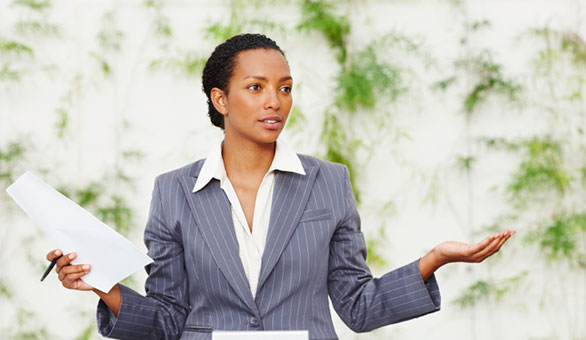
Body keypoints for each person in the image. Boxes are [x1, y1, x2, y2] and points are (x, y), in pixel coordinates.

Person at [46, 33, 515, 340]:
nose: (275, 101)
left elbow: (357, 306)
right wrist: (102, 287)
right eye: (256, 87)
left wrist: (434, 259)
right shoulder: (173, 191)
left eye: (285, 87)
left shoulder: (329, 182)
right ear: (220, 98)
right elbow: (169, 318)